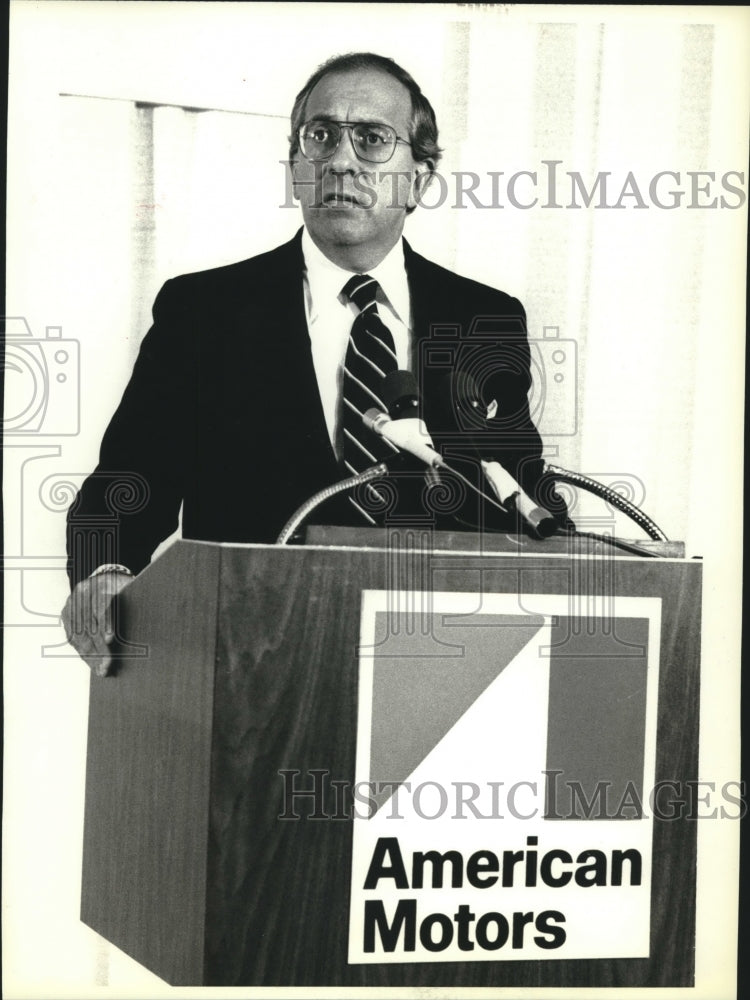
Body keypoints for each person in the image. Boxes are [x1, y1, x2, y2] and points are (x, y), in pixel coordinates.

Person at [62, 52, 566, 676]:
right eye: (320, 136)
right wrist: (105, 574)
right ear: (297, 167)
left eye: (373, 140)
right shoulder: (206, 311)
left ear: (421, 179)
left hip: (436, 673)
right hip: (250, 670)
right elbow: (129, 481)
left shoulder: (483, 319)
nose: (341, 160)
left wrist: (582, 554)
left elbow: (516, 487)